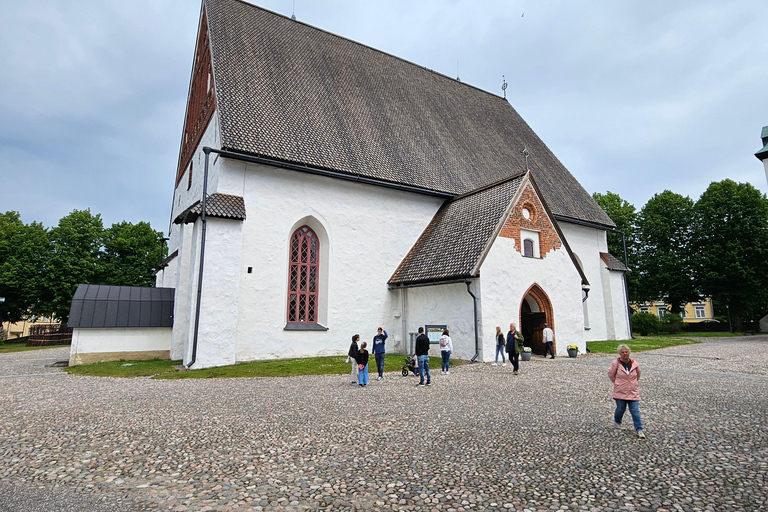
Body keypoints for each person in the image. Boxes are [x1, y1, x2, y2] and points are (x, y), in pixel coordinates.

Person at [608, 344, 645, 439]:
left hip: (633, 391)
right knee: (621, 409)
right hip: (620, 391)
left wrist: (633, 383)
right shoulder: (615, 364)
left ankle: (639, 429)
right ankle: (617, 421)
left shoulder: (634, 363)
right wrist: (617, 383)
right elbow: (611, 374)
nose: (625, 354)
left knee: (635, 410)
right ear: (619, 354)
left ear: (629, 352)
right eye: (623, 352)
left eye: (626, 352)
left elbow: (638, 375)